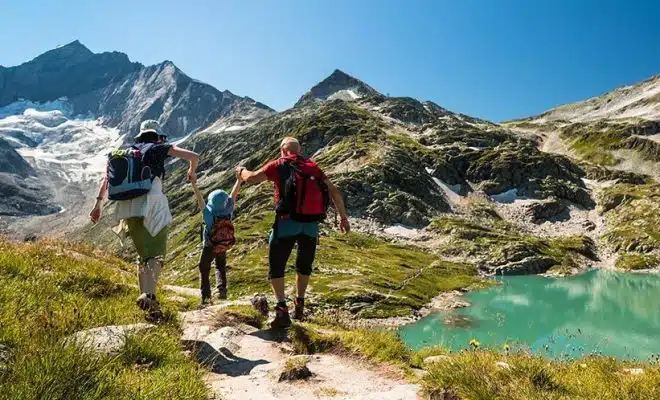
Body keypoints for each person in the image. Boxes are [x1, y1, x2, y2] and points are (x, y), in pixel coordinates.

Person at [236, 137, 350, 328]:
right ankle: (300, 304)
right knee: (304, 265)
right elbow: (334, 191)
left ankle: (282, 310)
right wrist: (343, 218)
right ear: (299, 150)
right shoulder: (313, 167)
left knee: (277, 265)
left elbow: (253, 179)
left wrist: (240, 171)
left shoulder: (279, 164)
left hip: (286, 223)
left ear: (282, 150)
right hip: (311, 225)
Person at [89, 120, 199, 318]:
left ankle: (147, 301)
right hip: (153, 204)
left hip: (128, 207)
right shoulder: (158, 148)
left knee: (142, 256)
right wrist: (191, 170)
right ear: (156, 136)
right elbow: (193, 156)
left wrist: (98, 205)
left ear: (139, 136)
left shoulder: (126, 153)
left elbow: (106, 180)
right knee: (156, 254)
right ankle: (149, 295)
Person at [191, 172, 242, 305]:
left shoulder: (208, 214)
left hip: (209, 245)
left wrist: (194, 185)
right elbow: (233, 194)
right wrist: (239, 180)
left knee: (204, 268)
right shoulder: (229, 210)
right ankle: (221, 290)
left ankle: (206, 297)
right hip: (223, 244)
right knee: (220, 266)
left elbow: (200, 199)